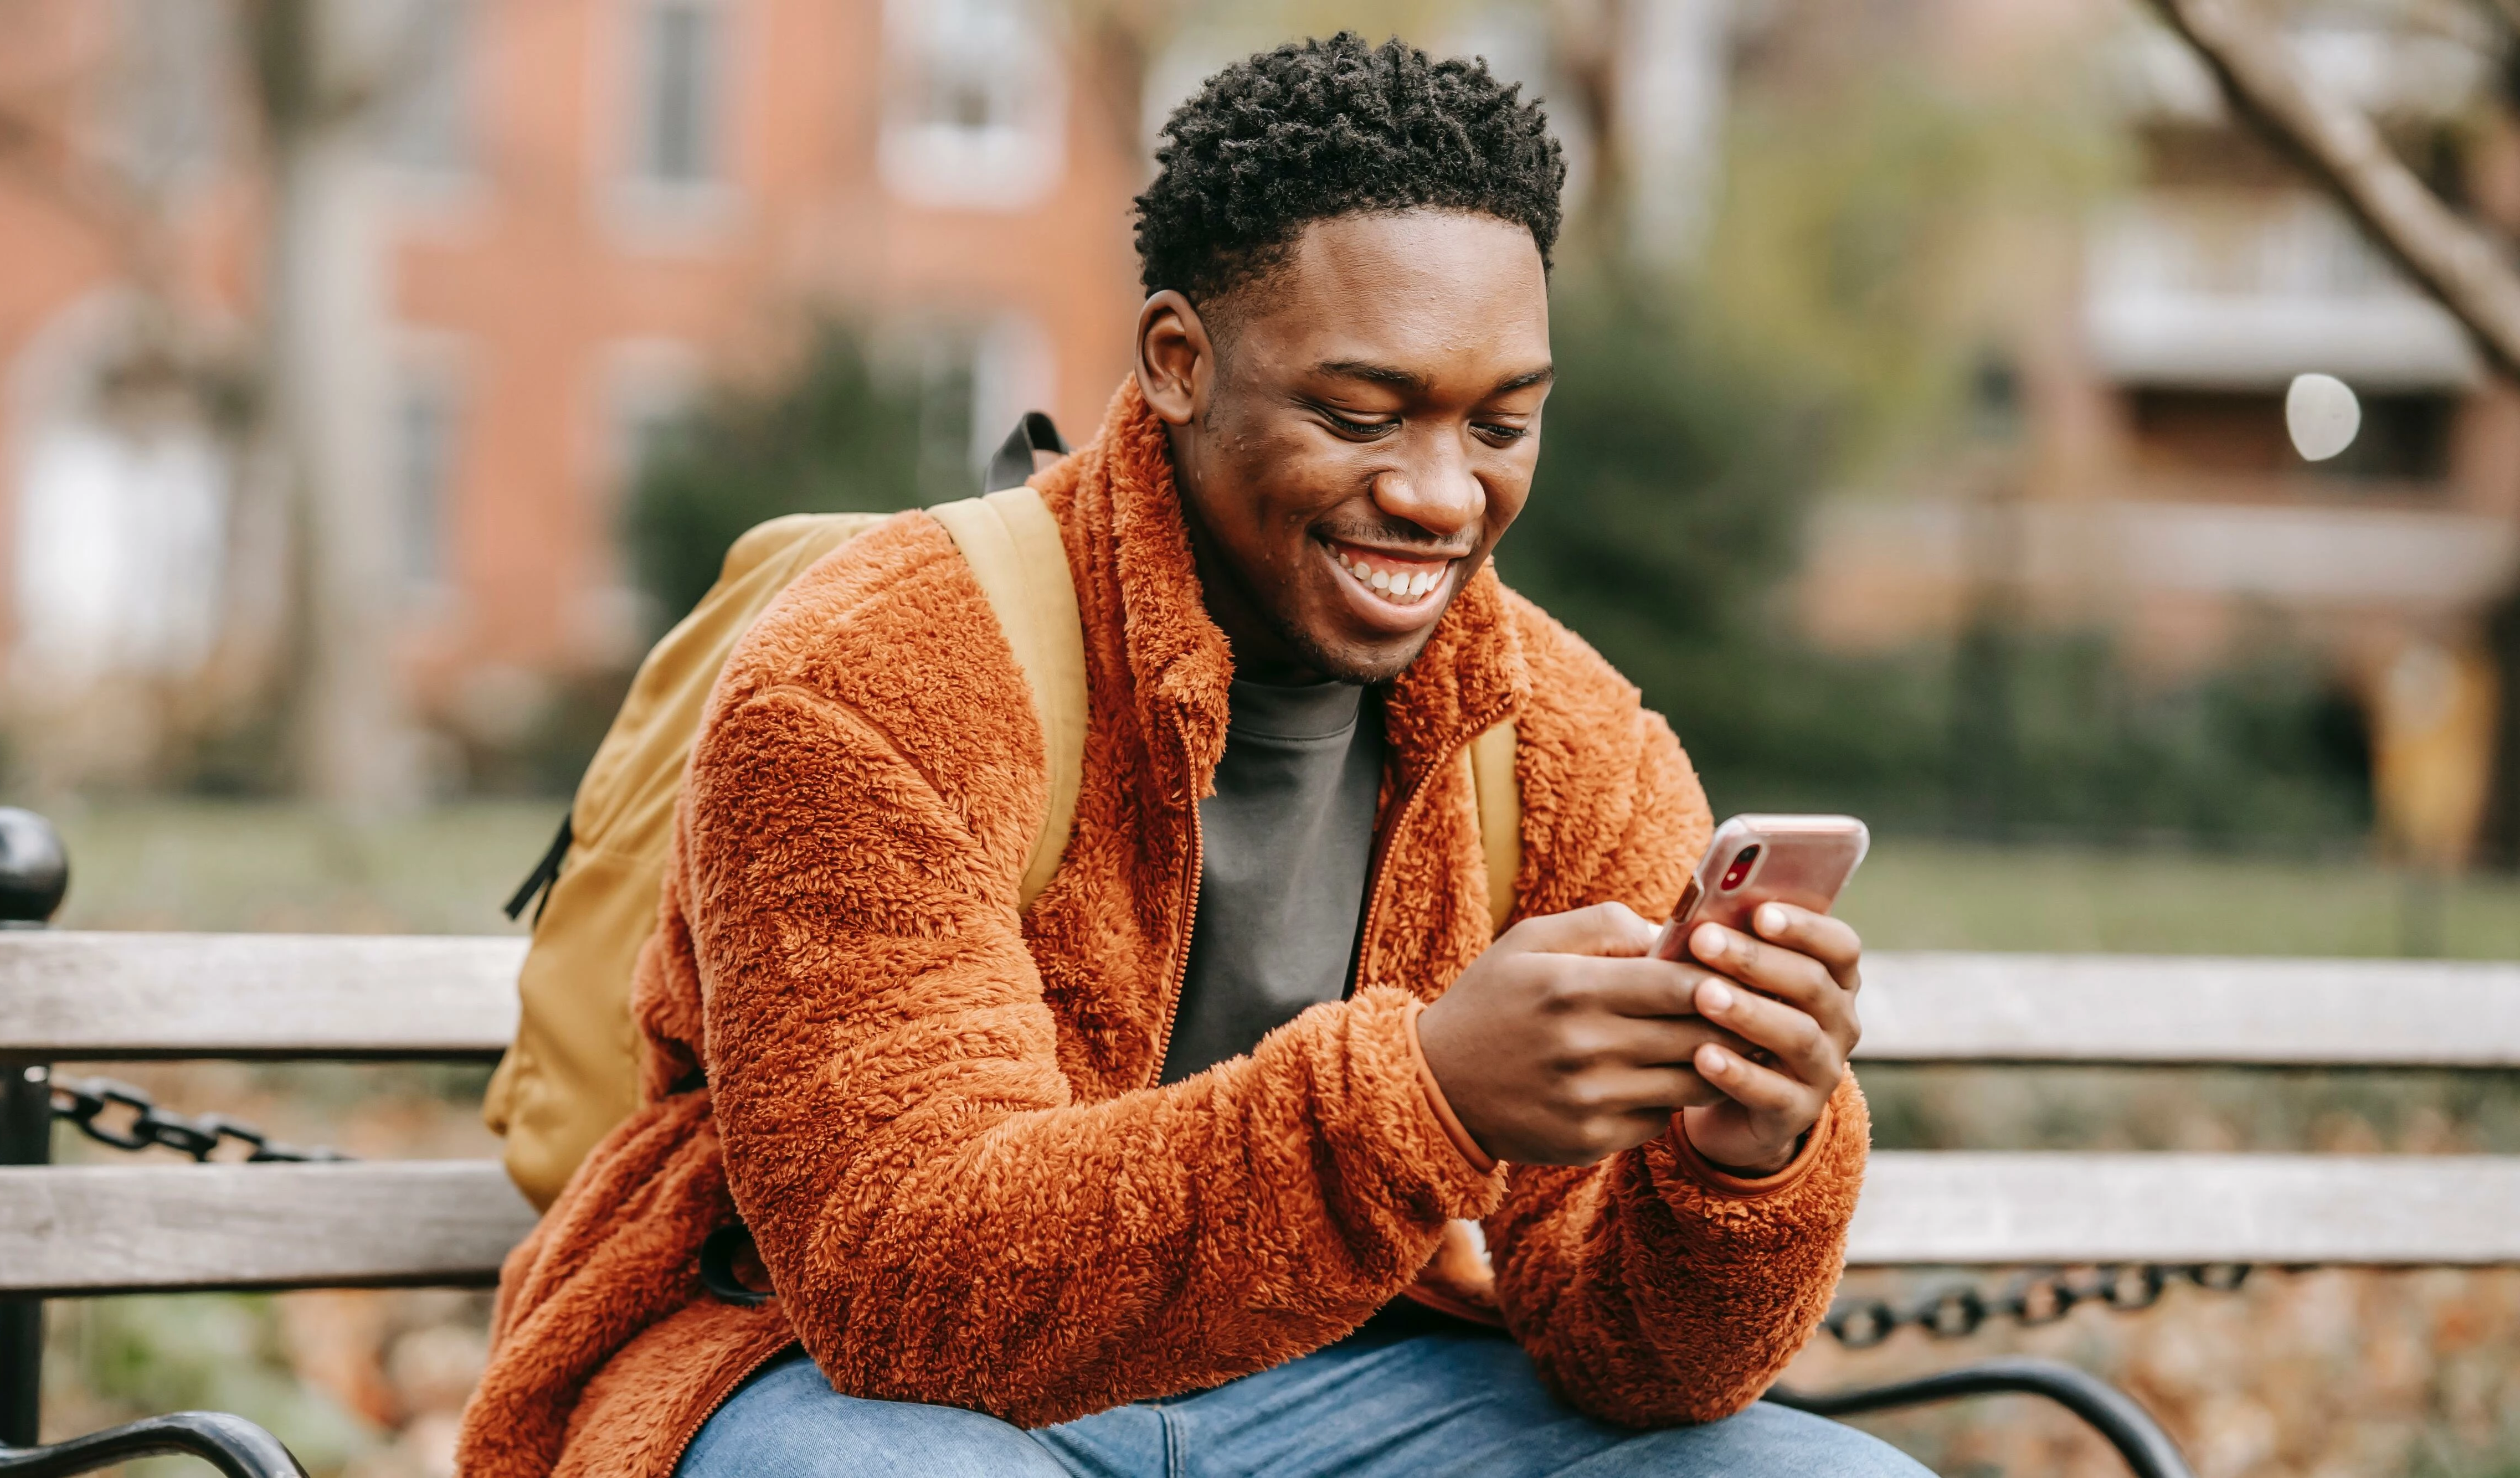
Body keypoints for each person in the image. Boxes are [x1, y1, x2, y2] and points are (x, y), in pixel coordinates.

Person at [460, 35, 1924, 1478]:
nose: (1438, 493)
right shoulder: (871, 669)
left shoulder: (1567, 740)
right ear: (1177, 362)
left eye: (1502, 423)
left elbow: (1643, 1364)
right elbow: (900, 1291)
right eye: (1359, 415)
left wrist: (1736, 1161)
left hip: (1350, 1386)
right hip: (839, 1380)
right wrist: (1422, 1098)